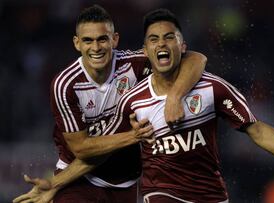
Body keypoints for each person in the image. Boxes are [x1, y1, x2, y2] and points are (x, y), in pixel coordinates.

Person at [15, 8, 274, 203]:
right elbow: (95, 150)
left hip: (210, 194)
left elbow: (258, 129)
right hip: (158, 193)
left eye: (169, 38)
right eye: (153, 39)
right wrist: (57, 184)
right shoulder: (132, 99)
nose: (161, 44)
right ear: (144, 51)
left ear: (182, 45)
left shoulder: (211, 88)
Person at [13, 5, 206, 203]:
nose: (96, 48)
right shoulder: (65, 85)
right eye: (88, 40)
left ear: (114, 40)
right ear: (77, 43)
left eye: (102, 39)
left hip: (125, 183)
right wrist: (134, 136)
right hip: (78, 179)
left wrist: (175, 97)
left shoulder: (133, 65)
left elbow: (195, 58)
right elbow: (83, 149)